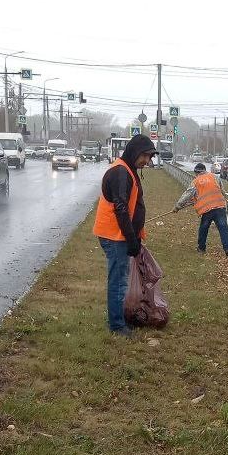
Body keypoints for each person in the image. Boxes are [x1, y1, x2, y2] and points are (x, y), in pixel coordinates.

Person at [92, 134, 157, 336]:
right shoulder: (121, 171)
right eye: (145, 156)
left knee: (120, 279)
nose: (147, 161)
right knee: (118, 281)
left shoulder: (128, 169)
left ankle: (118, 319)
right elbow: (121, 208)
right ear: (135, 151)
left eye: (149, 157)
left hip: (120, 234)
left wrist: (135, 236)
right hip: (115, 235)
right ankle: (117, 325)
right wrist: (131, 239)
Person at [172, 163, 228, 257]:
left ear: (196, 172)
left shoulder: (196, 181)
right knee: (223, 228)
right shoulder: (214, 177)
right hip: (220, 206)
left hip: (207, 209)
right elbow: (222, 190)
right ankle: (227, 248)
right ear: (205, 170)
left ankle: (201, 248)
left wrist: (177, 206)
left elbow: (187, 194)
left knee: (203, 229)